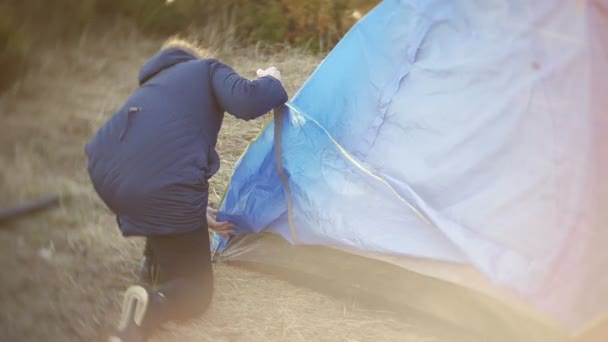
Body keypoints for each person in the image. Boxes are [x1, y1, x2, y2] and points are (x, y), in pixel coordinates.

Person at [84, 37, 288, 342]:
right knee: (197, 290)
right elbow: (247, 101)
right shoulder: (205, 69)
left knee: (162, 210)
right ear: (191, 56)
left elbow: (154, 153)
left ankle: (150, 270)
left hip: (108, 174)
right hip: (163, 186)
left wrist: (194, 211)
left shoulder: (150, 87)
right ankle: (152, 306)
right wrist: (272, 80)